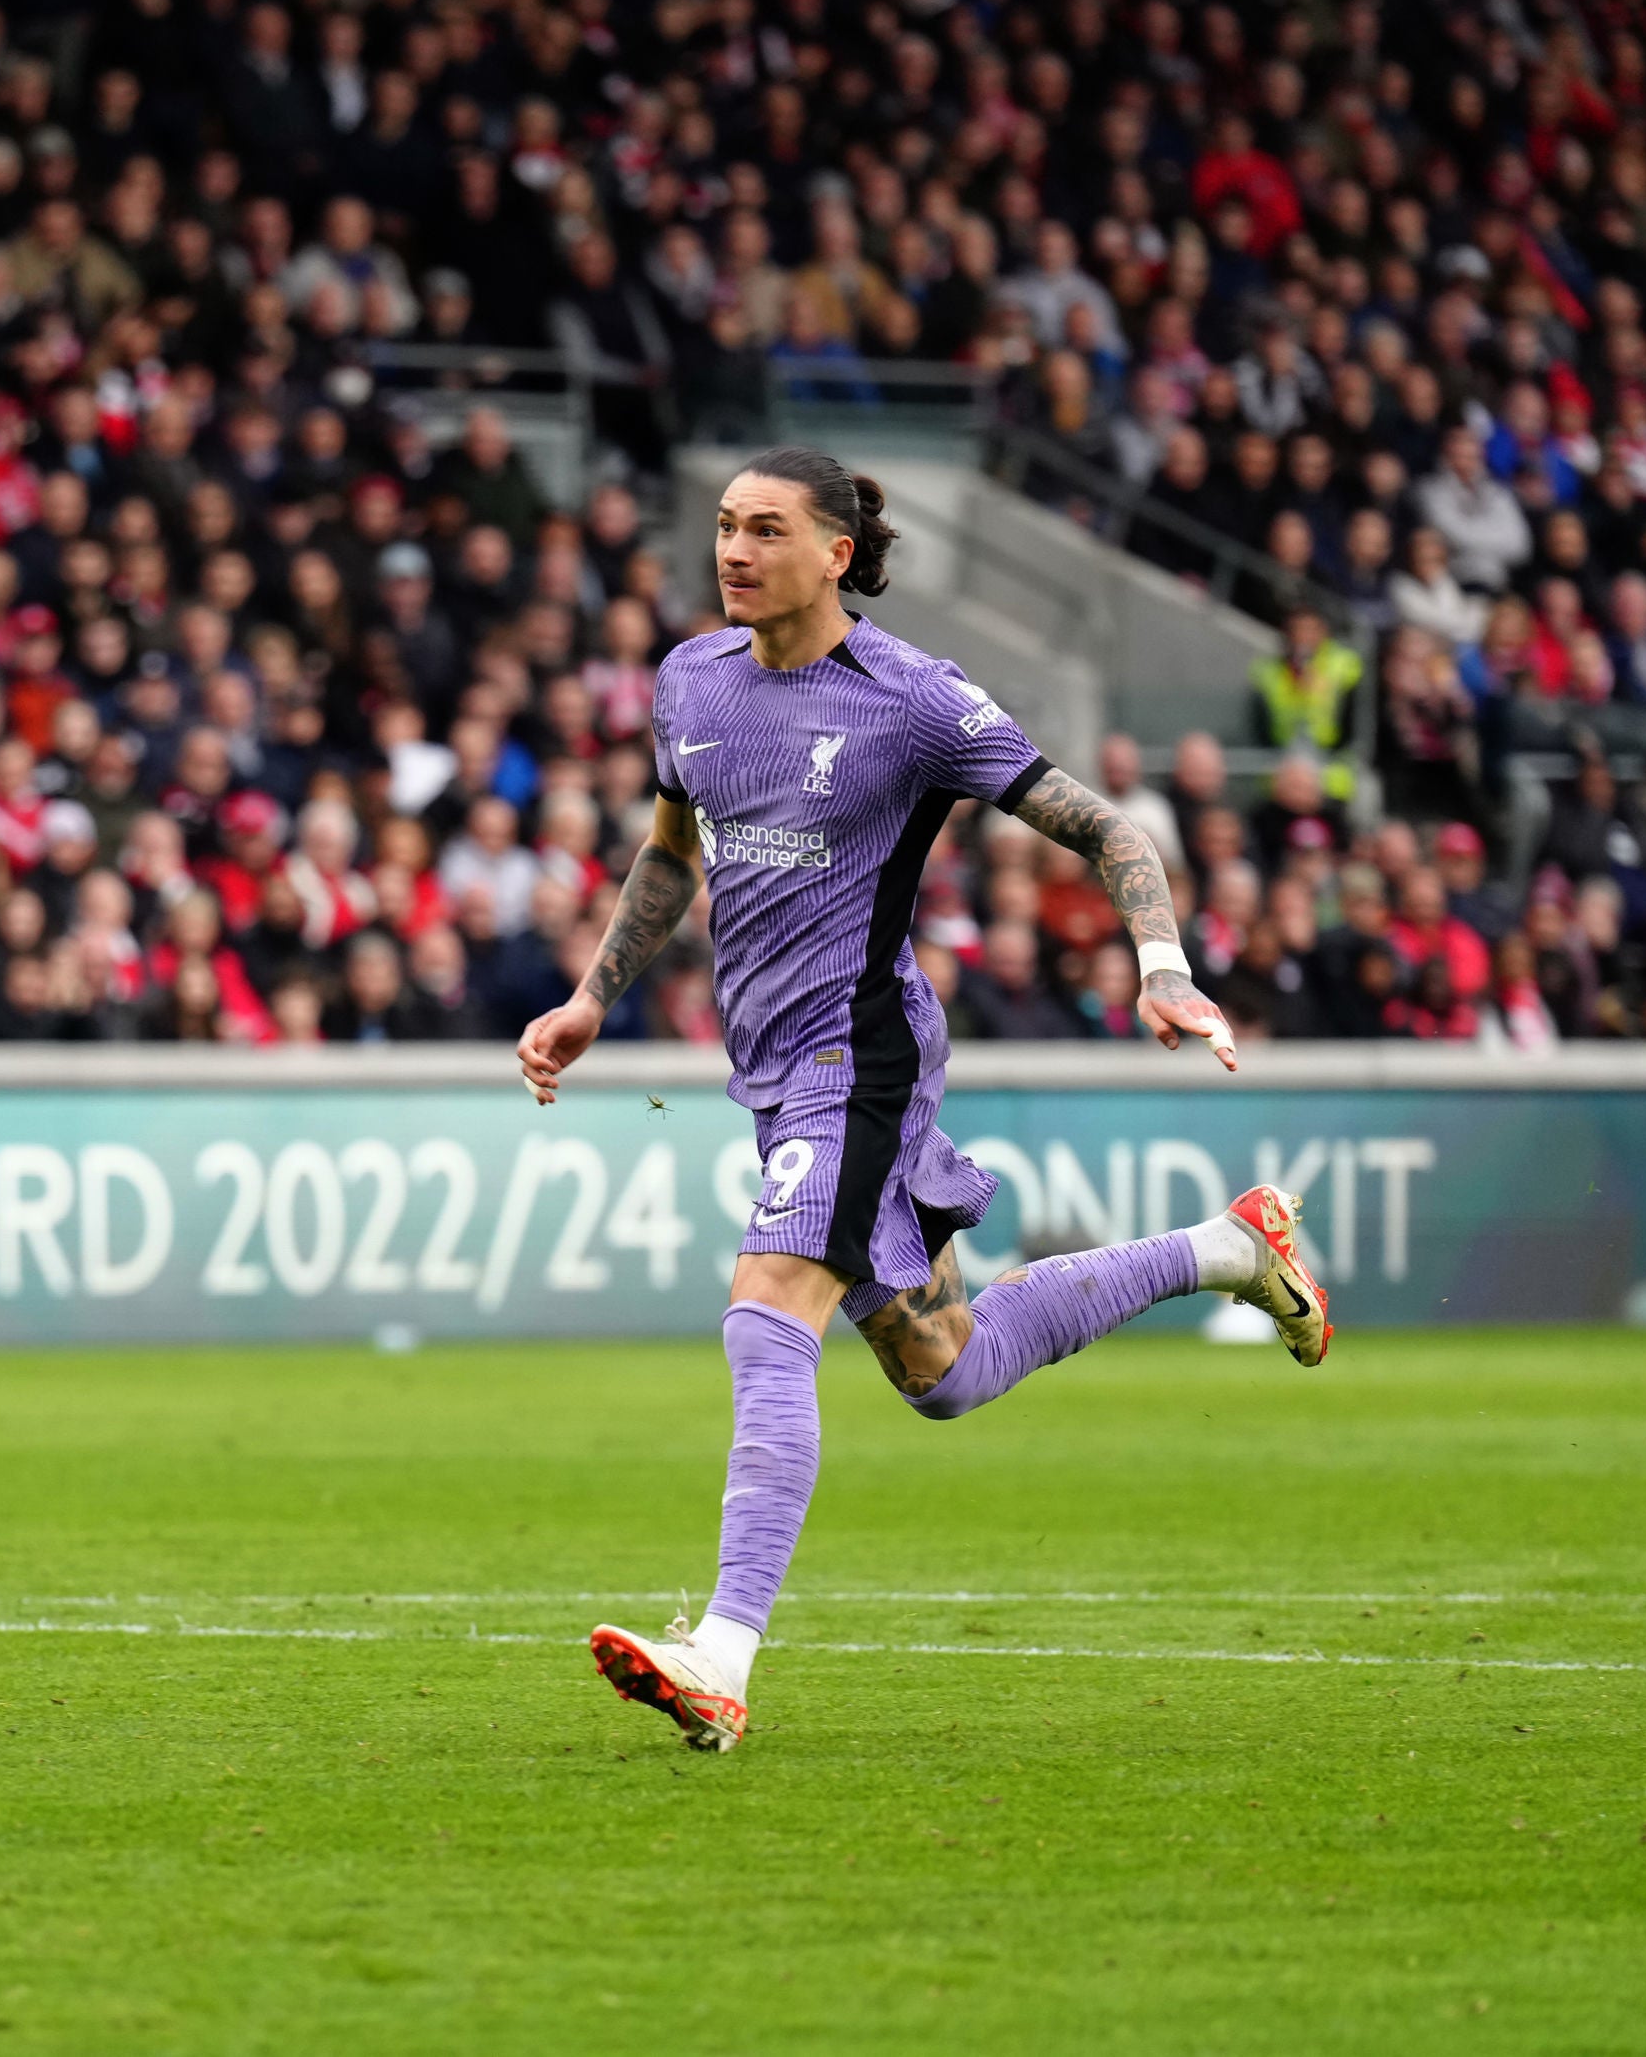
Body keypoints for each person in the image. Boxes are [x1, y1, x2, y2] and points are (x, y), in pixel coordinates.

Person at [513, 449, 1329, 1755]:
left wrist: (1163, 968)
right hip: (780, 1078)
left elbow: (1110, 830)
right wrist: (593, 999)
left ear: (838, 551)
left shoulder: (915, 701)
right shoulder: (690, 681)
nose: (732, 550)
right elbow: (673, 850)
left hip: (865, 1055)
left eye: (765, 529)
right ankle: (1229, 1250)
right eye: (723, 524)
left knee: (768, 1308)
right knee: (943, 1373)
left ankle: (719, 1657)